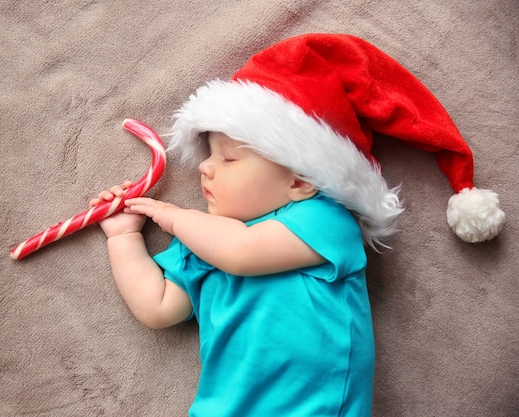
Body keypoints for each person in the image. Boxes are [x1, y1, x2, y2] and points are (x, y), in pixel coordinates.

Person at [91, 34, 504, 416]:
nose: (205, 168)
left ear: (300, 180)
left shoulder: (322, 219)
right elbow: (159, 306)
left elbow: (240, 252)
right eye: (208, 155)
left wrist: (176, 217)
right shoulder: (201, 239)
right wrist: (124, 237)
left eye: (228, 159)